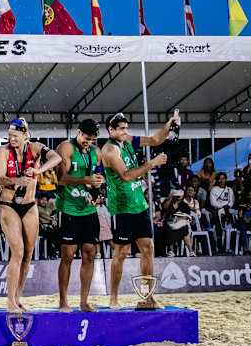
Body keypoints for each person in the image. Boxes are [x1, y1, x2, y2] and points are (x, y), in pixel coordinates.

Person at [102, 112, 175, 310]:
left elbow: (154, 140)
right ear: (111, 130)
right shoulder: (109, 150)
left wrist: (169, 125)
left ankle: (148, 297)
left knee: (148, 248)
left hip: (139, 203)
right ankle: (114, 298)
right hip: (122, 207)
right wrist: (152, 163)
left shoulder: (127, 140)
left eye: (126, 127)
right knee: (122, 252)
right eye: (121, 128)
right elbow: (126, 176)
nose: (125, 131)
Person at [0, 118, 62, 313]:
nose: (11, 139)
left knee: (28, 253)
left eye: (15, 136)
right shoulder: (3, 151)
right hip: (8, 205)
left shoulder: (35, 148)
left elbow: (56, 158)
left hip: (29, 205)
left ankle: (18, 297)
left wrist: (38, 170)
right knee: (17, 251)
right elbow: (0, 178)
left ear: (25, 135)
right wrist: (18, 180)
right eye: (9, 135)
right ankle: (9, 300)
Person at [54, 119, 105, 313]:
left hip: (88, 210)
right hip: (69, 208)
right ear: (78, 132)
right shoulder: (65, 148)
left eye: (92, 140)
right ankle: (63, 301)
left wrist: (97, 193)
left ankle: (84, 302)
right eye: (86, 138)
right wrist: (86, 179)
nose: (88, 143)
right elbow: (62, 178)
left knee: (90, 254)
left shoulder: (96, 152)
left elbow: (98, 178)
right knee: (67, 255)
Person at [162, 189, 195, 257]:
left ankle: (191, 251)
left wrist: (178, 218)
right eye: (177, 193)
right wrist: (171, 196)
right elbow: (164, 207)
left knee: (184, 228)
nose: (178, 195)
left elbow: (186, 216)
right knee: (167, 228)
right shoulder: (169, 203)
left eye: (180, 193)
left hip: (180, 224)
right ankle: (171, 251)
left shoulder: (185, 205)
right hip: (169, 224)